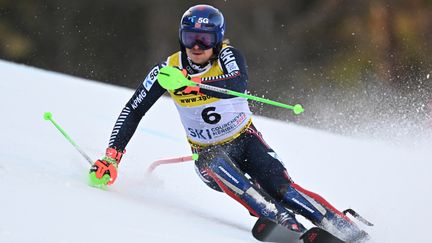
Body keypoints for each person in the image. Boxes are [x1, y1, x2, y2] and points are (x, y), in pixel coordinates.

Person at [89, 4, 367, 242]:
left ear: (218, 40)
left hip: (246, 140)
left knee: (284, 189)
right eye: (189, 38)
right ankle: (281, 220)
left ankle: (343, 227)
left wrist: (195, 84)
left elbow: (237, 82)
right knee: (214, 160)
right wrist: (112, 157)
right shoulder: (167, 71)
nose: (196, 47)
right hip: (209, 156)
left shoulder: (228, 56)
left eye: (205, 40)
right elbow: (132, 111)